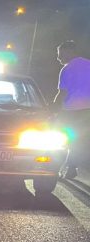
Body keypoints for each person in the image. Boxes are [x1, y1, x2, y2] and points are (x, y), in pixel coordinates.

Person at [53, 40, 90, 179]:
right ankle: (71, 167)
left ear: (69, 52)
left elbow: (62, 92)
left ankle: (55, 169)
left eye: (60, 54)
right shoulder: (88, 64)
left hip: (70, 110)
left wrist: (53, 108)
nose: (58, 58)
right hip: (87, 111)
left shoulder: (67, 69)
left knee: (62, 139)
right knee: (79, 140)